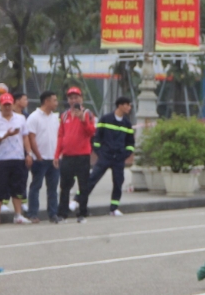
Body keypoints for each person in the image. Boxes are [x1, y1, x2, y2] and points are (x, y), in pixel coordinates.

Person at [81, 97, 135, 219]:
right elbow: (97, 137)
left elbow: (130, 143)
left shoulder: (127, 123)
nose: (129, 108)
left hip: (118, 159)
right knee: (92, 178)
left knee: (118, 182)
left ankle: (114, 208)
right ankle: (78, 201)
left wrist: (125, 154)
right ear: (120, 106)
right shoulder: (106, 119)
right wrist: (100, 152)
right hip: (105, 156)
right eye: (127, 105)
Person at [0, 93, 33, 225]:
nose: (7, 107)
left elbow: (25, 136)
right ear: (0, 105)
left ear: (12, 104)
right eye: (4, 105)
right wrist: (5, 135)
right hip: (1, 159)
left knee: (18, 187)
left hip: (18, 157)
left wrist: (29, 153)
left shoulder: (21, 118)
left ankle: (18, 215)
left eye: (9, 104)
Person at [56, 86, 96, 223]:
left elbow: (91, 132)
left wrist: (83, 120)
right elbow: (61, 135)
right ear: (68, 100)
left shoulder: (87, 113)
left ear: (81, 98)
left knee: (83, 185)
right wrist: (57, 154)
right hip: (67, 156)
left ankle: (82, 213)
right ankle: (62, 214)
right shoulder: (64, 115)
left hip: (82, 155)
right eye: (71, 98)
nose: (74, 100)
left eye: (76, 97)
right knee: (65, 186)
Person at [26, 90, 60, 223]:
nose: (56, 103)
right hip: (39, 159)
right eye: (54, 100)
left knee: (53, 188)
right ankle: (33, 213)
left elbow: (58, 137)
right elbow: (31, 137)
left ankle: (53, 214)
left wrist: (57, 155)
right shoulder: (34, 117)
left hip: (54, 159)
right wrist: (38, 155)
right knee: (36, 186)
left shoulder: (55, 117)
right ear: (46, 101)